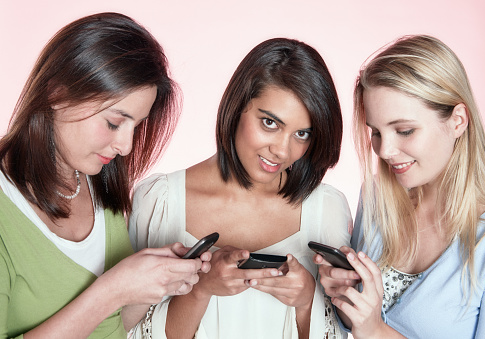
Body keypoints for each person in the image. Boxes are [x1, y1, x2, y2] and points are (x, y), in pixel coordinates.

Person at [0, 12, 211, 339]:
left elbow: (110, 328)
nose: (126, 146)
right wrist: (112, 288)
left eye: (135, 126)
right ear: (57, 95)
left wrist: (148, 281)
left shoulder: (96, 180)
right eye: (114, 123)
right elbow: (105, 301)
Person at [129, 38, 352, 339]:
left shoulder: (326, 209)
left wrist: (306, 300)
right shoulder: (160, 202)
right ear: (238, 106)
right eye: (270, 123)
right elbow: (126, 330)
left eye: (301, 133)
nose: (282, 151)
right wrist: (200, 290)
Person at [315, 34, 485, 338]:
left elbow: (370, 330)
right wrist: (345, 296)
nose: (385, 150)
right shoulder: (377, 196)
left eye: (404, 130)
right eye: (376, 132)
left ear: (458, 121)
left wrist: (375, 330)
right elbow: (354, 325)